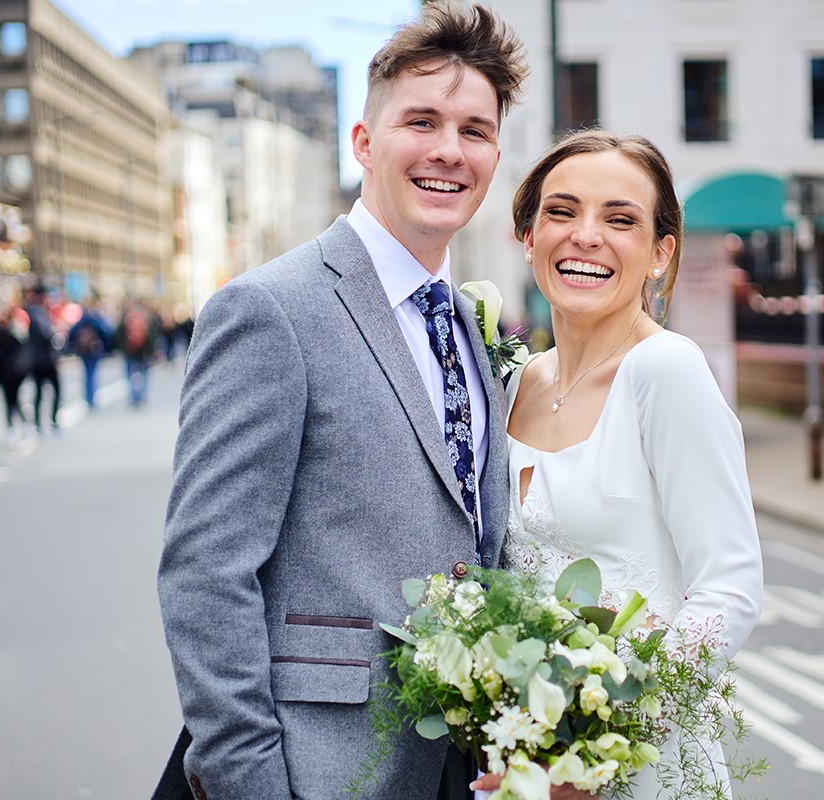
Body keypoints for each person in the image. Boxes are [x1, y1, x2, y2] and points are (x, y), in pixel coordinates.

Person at [154, 4, 528, 799]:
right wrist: (251, 785)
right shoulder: (271, 311)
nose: (447, 151)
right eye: (420, 121)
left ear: (496, 153)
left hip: (453, 771)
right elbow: (206, 573)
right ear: (363, 142)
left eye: (475, 130)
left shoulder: (465, 322)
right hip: (317, 770)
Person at [473, 130, 765, 798]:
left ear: (660, 254)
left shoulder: (666, 371)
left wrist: (603, 738)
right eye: (561, 211)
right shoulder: (514, 382)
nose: (586, 235)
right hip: (523, 770)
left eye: (620, 219)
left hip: (637, 767)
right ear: (528, 236)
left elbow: (730, 589)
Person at [23, 285, 61, 436]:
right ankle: (50, 421)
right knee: (54, 390)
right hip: (44, 360)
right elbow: (46, 334)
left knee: (40, 392)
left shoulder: (34, 311)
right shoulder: (37, 312)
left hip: (37, 360)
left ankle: (40, 423)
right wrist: (55, 333)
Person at [0, 305, 31, 442]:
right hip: (9, 372)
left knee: (12, 400)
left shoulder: (11, 332)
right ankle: (16, 426)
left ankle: (18, 426)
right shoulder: (0, 333)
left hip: (12, 371)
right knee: (12, 400)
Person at [66, 297, 112, 409]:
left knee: (87, 374)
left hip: (83, 350)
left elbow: (71, 334)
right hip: (94, 350)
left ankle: (88, 397)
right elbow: (106, 333)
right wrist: (107, 349)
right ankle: (91, 398)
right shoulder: (96, 320)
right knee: (92, 374)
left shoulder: (80, 321)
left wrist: (72, 347)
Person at [116, 300, 154, 408]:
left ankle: (133, 398)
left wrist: (123, 348)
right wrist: (151, 351)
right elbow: (151, 337)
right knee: (145, 375)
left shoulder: (126, 321)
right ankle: (143, 395)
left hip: (129, 352)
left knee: (130, 375)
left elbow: (118, 336)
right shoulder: (145, 320)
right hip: (143, 352)